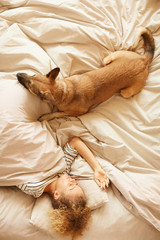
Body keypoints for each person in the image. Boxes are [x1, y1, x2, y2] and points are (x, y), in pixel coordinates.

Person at [17, 137, 109, 236]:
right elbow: (75, 142)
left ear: (57, 194)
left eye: (70, 185)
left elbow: (13, 171)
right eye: (76, 184)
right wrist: (96, 168)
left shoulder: (34, 187)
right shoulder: (64, 171)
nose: (73, 180)